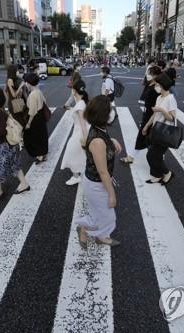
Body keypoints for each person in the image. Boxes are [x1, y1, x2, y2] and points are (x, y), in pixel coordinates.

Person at [75, 95, 121, 249]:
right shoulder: (98, 141)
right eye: (109, 111)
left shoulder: (98, 129)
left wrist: (111, 140)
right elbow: (103, 172)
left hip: (95, 182)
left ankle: (102, 236)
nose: (112, 113)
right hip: (96, 184)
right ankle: (84, 228)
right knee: (106, 217)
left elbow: (100, 142)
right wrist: (111, 194)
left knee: (101, 214)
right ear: (103, 115)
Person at [0, 87, 30, 202]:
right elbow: (1, 128)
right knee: (15, 165)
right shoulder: (1, 110)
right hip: (11, 145)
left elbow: (2, 131)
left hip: (5, 147)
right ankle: (24, 184)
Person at [121, 65, 162, 164]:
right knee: (150, 139)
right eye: (148, 73)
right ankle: (158, 158)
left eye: (150, 73)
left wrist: (147, 124)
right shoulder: (151, 85)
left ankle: (132, 157)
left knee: (142, 137)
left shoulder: (157, 88)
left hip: (151, 116)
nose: (147, 75)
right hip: (149, 114)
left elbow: (156, 107)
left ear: (155, 75)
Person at [141, 73, 175, 185]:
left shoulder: (171, 99)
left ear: (162, 85)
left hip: (165, 132)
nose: (156, 87)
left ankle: (167, 173)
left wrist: (161, 110)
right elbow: (154, 115)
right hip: (156, 130)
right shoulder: (159, 97)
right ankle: (156, 175)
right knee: (156, 155)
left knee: (151, 155)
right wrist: (146, 126)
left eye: (157, 85)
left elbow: (172, 118)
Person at [61, 80, 89, 186]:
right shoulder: (82, 102)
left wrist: (85, 138)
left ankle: (77, 177)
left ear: (74, 91)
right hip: (80, 131)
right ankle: (79, 174)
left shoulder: (80, 105)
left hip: (81, 132)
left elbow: (83, 123)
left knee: (71, 152)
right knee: (80, 154)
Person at [23, 73, 49, 164]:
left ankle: (40, 155)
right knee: (41, 136)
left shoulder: (33, 94)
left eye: (26, 82)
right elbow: (45, 101)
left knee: (33, 137)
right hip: (40, 116)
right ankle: (42, 154)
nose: (25, 84)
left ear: (29, 83)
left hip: (35, 118)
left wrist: (28, 123)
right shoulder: (38, 91)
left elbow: (32, 112)